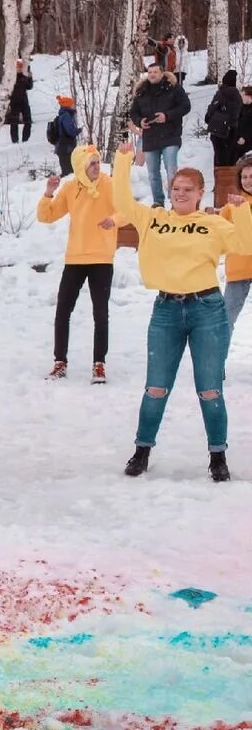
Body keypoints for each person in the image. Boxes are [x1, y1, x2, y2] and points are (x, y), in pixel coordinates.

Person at [113, 140, 252, 481]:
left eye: (188, 189)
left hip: (208, 309)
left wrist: (244, 209)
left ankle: (217, 456)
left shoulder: (213, 224)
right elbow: (122, 202)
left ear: (201, 193)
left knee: (209, 388)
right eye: (176, 188)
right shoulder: (154, 218)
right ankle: (142, 450)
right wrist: (121, 160)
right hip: (166, 310)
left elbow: (246, 244)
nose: (180, 194)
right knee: (156, 387)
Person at [37, 145, 121, 383]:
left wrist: (113, 220)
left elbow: (126, 211)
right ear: (80, 167)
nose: (96, 167)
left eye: (97, 162)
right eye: (91, 164)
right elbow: (47, 216)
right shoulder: (70, 187)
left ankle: (99, 364)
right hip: (75, 258)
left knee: (100, 313)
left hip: (102, 258)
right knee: (63, 310)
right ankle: (60, 362)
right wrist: (48, 193)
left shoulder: (108, 184)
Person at [129, 64, 191, 207]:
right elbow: (134, 112)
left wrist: (167, 116)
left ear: (162, 73)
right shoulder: (141, 91)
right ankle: (158, 202)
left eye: (155, 72)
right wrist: (140, 121)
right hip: (150, 137)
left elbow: (186, 106)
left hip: (170, 135)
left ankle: (175, 201)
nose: (152, 74)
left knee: (171, 170)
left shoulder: (173, 87)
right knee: (152, 173)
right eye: (150, 72)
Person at [219, 156, 252, 330]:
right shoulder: (232, 206)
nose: (248, 181)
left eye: (251, 176)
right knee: (226, 318)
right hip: (239, 268)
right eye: (244, 177)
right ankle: (217, 356)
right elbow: (216, 229)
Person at [206, 70, 242, 169]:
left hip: (219, 129)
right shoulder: (238, 96)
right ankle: (228, 180)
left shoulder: (221, 93)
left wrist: (208, 117)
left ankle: (220, 181)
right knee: (228, 157)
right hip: (232, 129)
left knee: (219, 158)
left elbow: (212, 107)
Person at [53, 96, 82, 176]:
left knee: (66, 171)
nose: (73, 105)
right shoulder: (66, 116)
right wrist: (78, 130)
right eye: (72, 104)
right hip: (66, 148)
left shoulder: (62, 115)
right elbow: (70, 131)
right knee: (69, 173)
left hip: (62, 147)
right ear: (68, 105)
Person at [8, 59, 34, 144]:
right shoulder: (11, 77)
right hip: (14, 102)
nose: (19, 69)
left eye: (21, 67)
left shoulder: (24, 76)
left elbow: (29, 87)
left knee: (28, 121)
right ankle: (15, 141)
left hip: (24, 101)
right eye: (18, 67)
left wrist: (30, 78)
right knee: (14, 123)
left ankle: (25, 140)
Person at [234, 86, 252, 161]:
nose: (240, 97)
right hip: (237, 140)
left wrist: (245, 138)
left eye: (242, 95)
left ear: (249, 96)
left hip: (248, 143)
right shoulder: (241, 107)